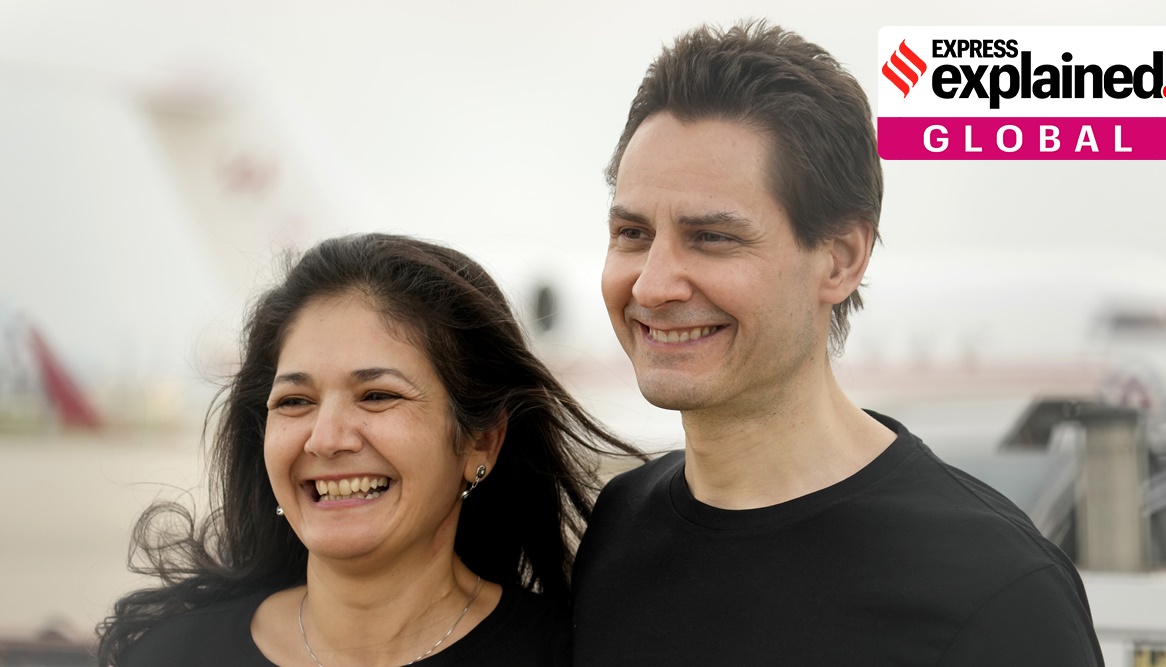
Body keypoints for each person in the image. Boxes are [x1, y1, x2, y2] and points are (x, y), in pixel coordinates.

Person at [571, 20, 1105, 666]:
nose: (652, 285)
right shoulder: (617, 530)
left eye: (711, 237)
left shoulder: (997, 592)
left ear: (841, 260)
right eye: (632, 233)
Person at [97, 233, 640, 666]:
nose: (327, 438)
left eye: (377, 395)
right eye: (294, 401)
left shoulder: (572, 655)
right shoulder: (173, 655)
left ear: (482, 440)